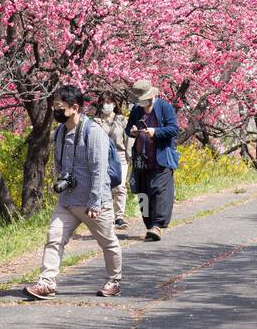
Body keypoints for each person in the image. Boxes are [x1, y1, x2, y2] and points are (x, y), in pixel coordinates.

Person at [25, 85, 122, 299]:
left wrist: (95, 202)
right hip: (67, 200)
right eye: (54, 107)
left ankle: (113, 280)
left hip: (92, 202)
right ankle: (46, 283)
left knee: (107, 242)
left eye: (59, 107)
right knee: (54, 237)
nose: (55, 111)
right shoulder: (59, 132)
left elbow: (99, 169)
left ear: (75, 107)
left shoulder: (93, 132)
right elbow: (59, 165)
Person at [126, 79, 180, 242]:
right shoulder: (136, 110)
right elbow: (128, 128)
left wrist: (155, 132)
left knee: (159, 191)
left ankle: (157, 225)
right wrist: (133, 132)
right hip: (141, 159)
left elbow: (173, 129)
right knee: (143, 192)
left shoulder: (164, 107)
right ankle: (149, 226)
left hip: (160, 158)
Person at [92, 92, 133, 230]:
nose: (106, 105)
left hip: (120, 155)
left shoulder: (121, 120)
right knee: (104, 186)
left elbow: (128, 139)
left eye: (108, 102)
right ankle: (106, 216)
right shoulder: (95, 121)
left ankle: (119, 217)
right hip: (102, 156)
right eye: (103, 102)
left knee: (120, 186)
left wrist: (130, 155)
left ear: (114, 104)